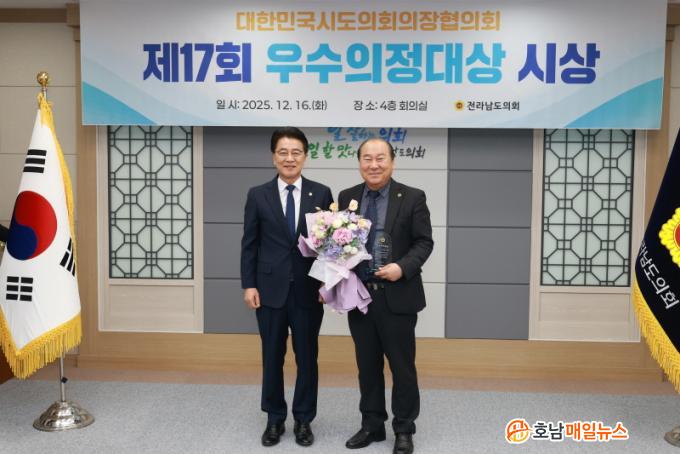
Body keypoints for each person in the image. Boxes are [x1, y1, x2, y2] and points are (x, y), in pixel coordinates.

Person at [339, 138, 433, 454]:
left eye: (380, 158)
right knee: (367, 366)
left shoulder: (413, 197)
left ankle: (404, 428)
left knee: (402, 367)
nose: (374, 165)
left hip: (397, 296)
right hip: (360, 296)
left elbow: (424, 242)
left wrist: (401, 267)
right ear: (359, 163)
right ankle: (372, 424)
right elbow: (339, 245)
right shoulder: (347, 197)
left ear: (392, 161)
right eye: (367, 158)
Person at [240, 127, 333, 447]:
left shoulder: (321, 193)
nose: (289, 158)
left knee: (307, 357)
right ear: (273, 157)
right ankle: (274, 418)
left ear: (305, 156)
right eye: (283, 152)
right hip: (269, 290)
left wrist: (328, 283)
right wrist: (249, 285)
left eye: (296, 152)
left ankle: (304, 419)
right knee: (272, 356)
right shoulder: (258, 194)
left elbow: (329, 247)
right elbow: (249, 244)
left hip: (309, 290)